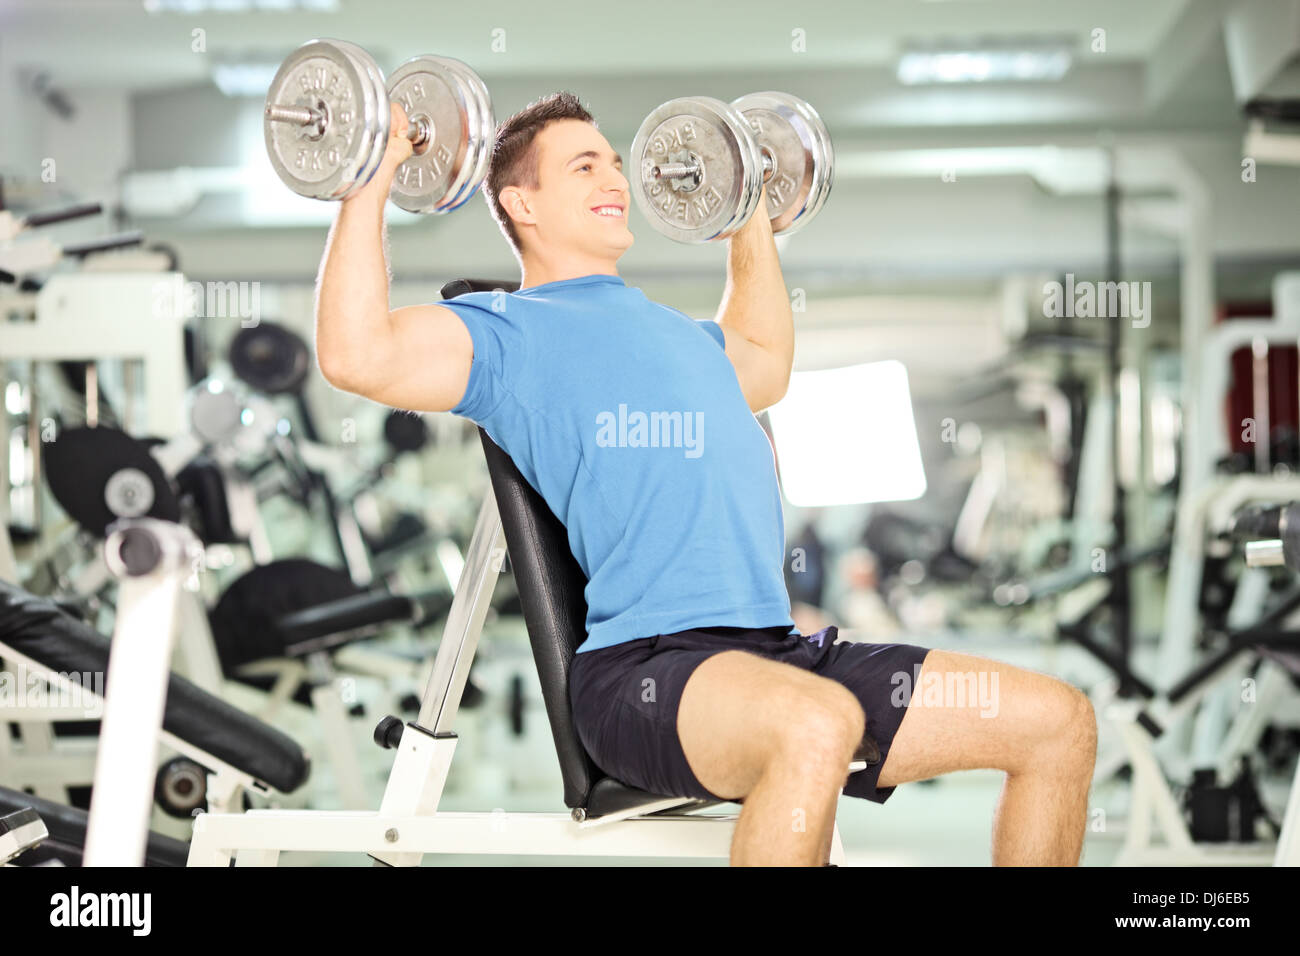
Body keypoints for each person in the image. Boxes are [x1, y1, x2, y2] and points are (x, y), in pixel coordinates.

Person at [314, 92, 1097, 866]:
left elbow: (764, 354)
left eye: (616, 162)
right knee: (816, 723)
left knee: (1056, 721)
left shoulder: (684, 336)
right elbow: (357, 353)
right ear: (521, 202)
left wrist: (746, 196)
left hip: (776, 657)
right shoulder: (505, 334)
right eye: (585, 166)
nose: (615, 179)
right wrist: (370, 176)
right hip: (649, 675)